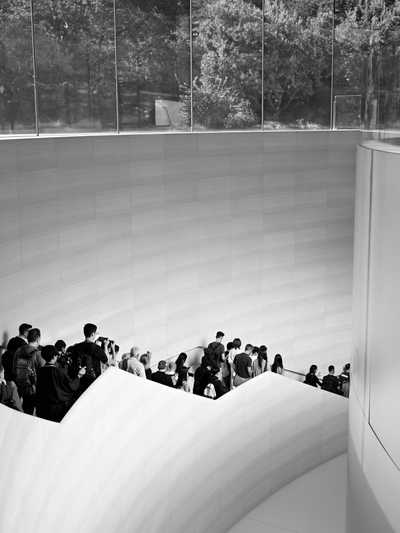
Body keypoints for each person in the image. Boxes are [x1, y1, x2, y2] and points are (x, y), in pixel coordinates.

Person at [36, 345, 86, 422]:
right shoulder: (57, 371)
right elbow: (70, 386)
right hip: (56, 410)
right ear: (54, 356)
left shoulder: (40, 371)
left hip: (43, 408)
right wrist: (79, 375)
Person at [69, 323, 109, 394]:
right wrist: (105, 346)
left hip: (79, 380)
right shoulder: (96, 348)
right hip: (93, 381)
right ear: (93, 334)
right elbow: (106, 361)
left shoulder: (76, 347)